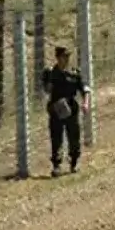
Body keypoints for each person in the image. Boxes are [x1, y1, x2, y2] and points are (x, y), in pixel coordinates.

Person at [40, 45, 92, 177]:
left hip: (71, 106)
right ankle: (56, 165)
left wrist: (85, 103)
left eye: (68, 56)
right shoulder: (50, 73)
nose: (67, 59)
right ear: (58, 58)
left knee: (74, 135)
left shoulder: (74, 73)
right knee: (56, 136)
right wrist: (49, 82)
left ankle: (74, 162)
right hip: (56, 106)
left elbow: (85, 89)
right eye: (64, 57)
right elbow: (46, 90)